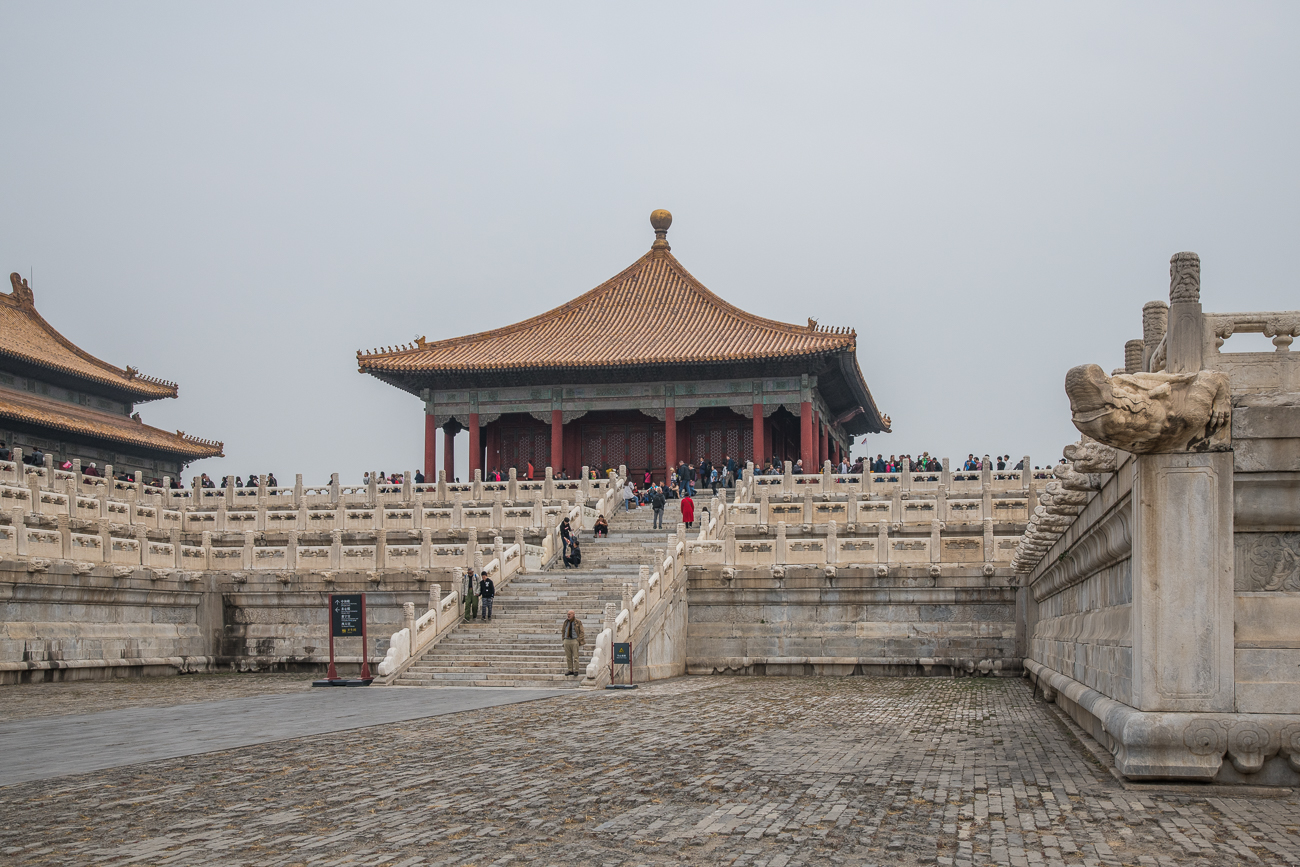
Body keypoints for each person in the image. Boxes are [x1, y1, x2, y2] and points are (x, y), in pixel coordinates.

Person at [560, 610, 585, 676]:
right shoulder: (566, 622)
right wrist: (563, 638)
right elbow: (563, 630)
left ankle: (576, 670)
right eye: (568, 614)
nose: (568, 615)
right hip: (567, 640)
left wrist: (578, 639)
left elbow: (582, 631)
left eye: (570, 614)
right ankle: (570, 669)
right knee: (568, 657)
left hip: (574, 640)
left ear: (573, 615)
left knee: (575, 656)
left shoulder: (578, 622)